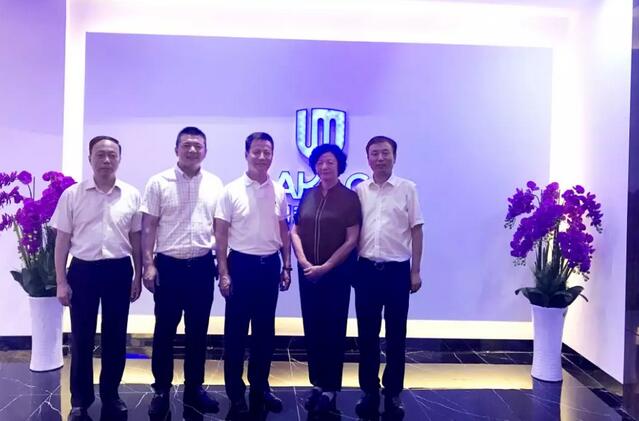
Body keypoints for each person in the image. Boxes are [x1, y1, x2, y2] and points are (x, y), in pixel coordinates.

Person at [52, 135, 142, 420]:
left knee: (115, 336)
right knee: (81, 337)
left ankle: (111, 395)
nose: (106, 160)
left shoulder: (131, 195)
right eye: (100, 154)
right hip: (83, 271)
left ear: (119, 158)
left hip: (118, 270)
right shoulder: (72, 195)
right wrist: (61, 281)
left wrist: (138, 274)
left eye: (112, 155)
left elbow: (136, 239)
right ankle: (80, 400)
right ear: (90, 158)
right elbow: (62, 241)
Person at [141, 126, 224, 417]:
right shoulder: (158, 182)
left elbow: (219, 228)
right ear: (176, 149)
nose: (192, 150)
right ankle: (161, 390)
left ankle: (194, 388)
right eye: (186, 145)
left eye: (197, 146)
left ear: (205, 151)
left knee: (198, 331)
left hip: (202, 266)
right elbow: (148, 226)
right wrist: (148, 264)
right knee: (164, 331)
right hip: (169, 267)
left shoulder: (215, 184)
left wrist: (221, 263)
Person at [214, 132, 291, 419]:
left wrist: (286, 265)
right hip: (240, 266)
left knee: (264, 333)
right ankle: (235, 393)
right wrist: (223, 272)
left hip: (269, 266)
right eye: (256, 151)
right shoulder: (231, 190)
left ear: (272, 155)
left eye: (267, 152)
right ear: (246, 154)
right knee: (235, 333)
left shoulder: (279, 190)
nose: (261, 157)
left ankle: (260, 387)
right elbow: (221, 235)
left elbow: (284, 231)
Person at [354, 136, 424, 419]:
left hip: (397, 272)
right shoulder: (360, 190)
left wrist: (415, 270)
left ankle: (393, 392)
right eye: (375, 153)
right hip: (366, 271)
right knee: (367, 335)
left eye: (385, 153)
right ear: (368, 158)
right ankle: (369, 391)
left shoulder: (408, 189)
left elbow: (417, 230)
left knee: (396, 335)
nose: (380, 158)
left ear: (394, 156)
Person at [290, 143, 361, 415]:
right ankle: (317, 384)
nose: (324, 166)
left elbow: (352, 239)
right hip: (308, 274)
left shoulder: (349, 198)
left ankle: (331, 388)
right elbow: (295, 231)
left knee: (333, 330)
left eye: (330, 161)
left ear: (339, 165)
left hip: (336, 275)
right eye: (320, 162)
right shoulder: (308, 194)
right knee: (313, 328)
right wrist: (304, 262)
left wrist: (327, 266)